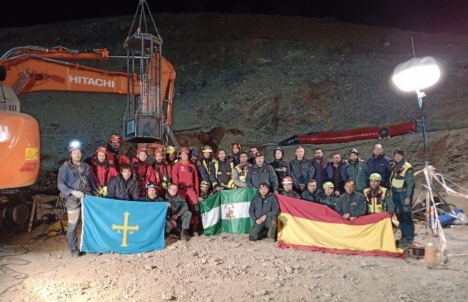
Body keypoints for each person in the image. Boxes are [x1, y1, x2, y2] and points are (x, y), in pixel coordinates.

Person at [57, 141, 96, 258]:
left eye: (78, 152)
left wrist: (94, 193)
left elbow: (91, 183)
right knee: (73, 224)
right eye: (74, 153)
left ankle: (90, 247)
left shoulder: (86, 167)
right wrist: (73, 192)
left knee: (89, 223)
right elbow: (60, 184)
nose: (77, 155)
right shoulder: (65, 167)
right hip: (73, 198)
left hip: (87, 197)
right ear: (71, 154)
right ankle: (74, 249)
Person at [172, 146, 200, 234]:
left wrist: (197, 193)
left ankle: (193, 228)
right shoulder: (177, 166)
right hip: (181, 189)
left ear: (188, 155)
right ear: (180, 155)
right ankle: (181, 228)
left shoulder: (192, 166)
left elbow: (196, 180)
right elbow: (174, 179)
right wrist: (176, 192)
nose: (184, 156)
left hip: (191, 189)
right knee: (182, 208)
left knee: (195, 208)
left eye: (186, 154)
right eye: (182, 154)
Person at [390, 148, 415, 249]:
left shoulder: (407, 167)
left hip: (404, 194)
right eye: (396, 155)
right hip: (395, 193)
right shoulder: (395, 166)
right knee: (399, 216)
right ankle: (404, 236)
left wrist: (408, 196)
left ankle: (409, 237)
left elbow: (410, 184)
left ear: (403, 156)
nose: (397, 157)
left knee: (406, 216)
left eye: (399, 155)